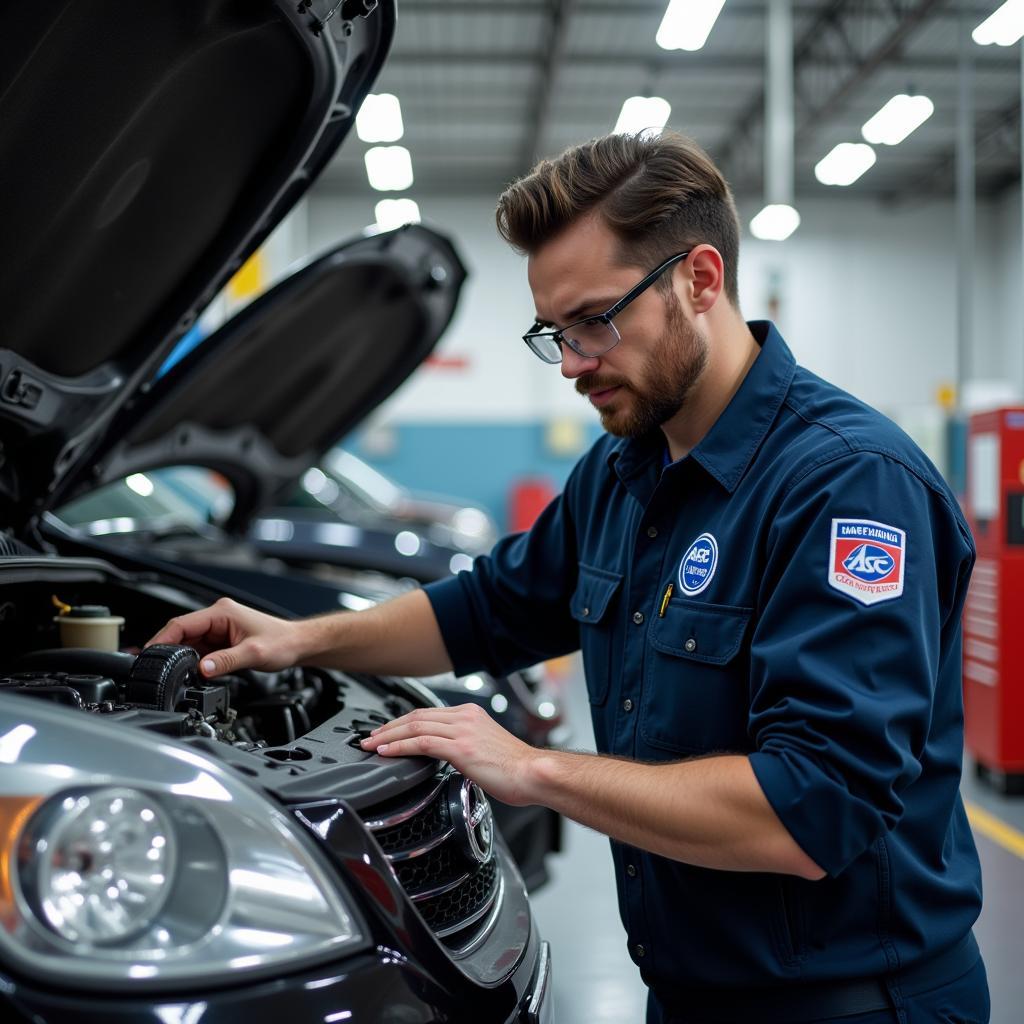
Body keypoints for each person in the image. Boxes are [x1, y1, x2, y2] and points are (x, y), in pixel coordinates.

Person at [150, 132, 989, 1024]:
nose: (576, 363)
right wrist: (298, 636)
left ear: (700, 280)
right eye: (555, 333)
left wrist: (536, 771)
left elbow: (810, 810)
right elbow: (487, 609)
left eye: (596, 319)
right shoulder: (625, 470)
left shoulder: (848, 484)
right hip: (690, 992)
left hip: (854, 1005)